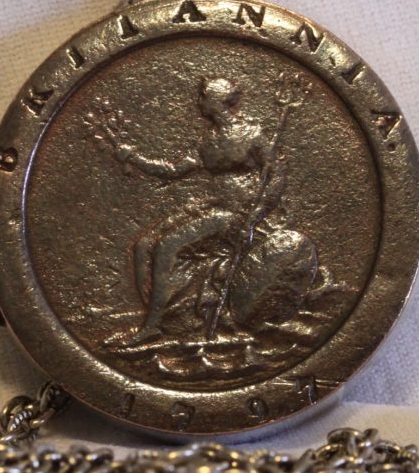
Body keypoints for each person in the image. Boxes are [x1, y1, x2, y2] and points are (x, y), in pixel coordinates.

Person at [90, 77, 278, 349]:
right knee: (144, 245)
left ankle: (153, 327)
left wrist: (256, 214)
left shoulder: (252, 134)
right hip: (214, 205)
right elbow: (173, 170)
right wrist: (132, 157)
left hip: (238, 213)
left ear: (217, 102)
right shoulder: (209, 140)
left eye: (204, 97)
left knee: (167, 246)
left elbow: (276, 176)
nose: (199, 102)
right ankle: (168, 318)